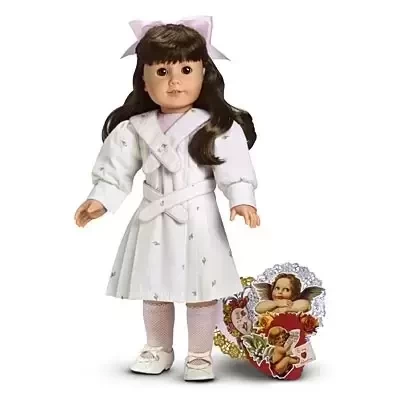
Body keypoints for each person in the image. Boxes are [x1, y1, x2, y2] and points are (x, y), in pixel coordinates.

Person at [74, 16, 260, 381]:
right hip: (154, 216)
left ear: (203, 73)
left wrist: (241, 197)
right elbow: (116, 168)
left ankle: (200, 354)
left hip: (199, 216)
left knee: (201, 287)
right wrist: (100, 199)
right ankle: (158, 347)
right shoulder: (134, 128)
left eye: (185, 70)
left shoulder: (215, 127)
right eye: (161, 72)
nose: (174, 81)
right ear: (144, 79)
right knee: (155, 286)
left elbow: (234, 166)